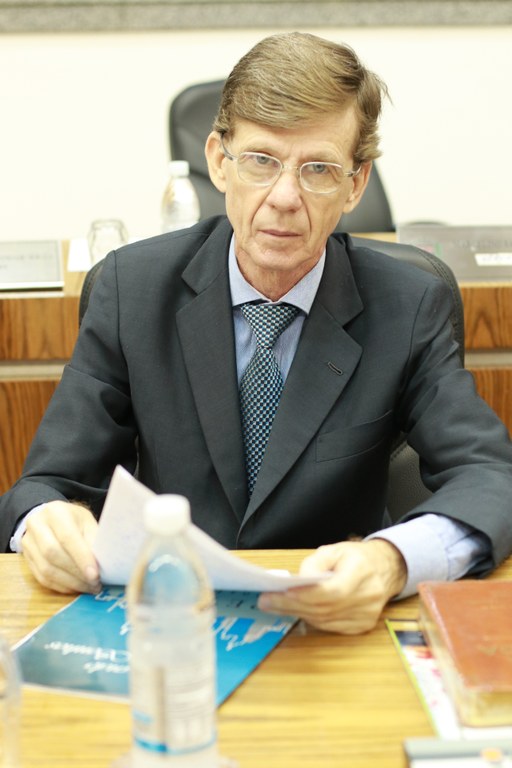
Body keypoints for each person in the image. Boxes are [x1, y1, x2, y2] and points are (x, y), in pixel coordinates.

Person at [1, 32, 511, 635]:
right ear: (219, 162)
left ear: (355, 184)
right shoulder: (132, 291)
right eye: (261, 161)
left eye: (318, 169)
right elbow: (44, 485)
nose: (285, 198)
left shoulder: (408, 305)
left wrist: (391, 561)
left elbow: (492, 479)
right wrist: (46, 523)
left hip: (329, 625)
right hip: (172, 619)